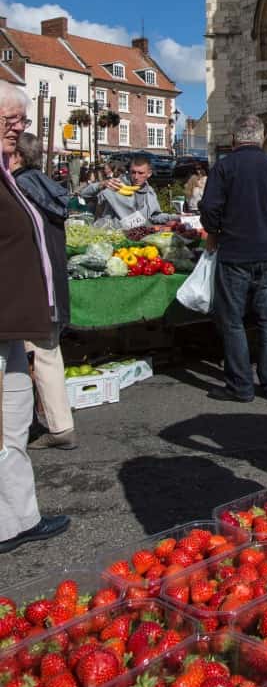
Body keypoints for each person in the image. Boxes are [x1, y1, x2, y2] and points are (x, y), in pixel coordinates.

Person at [0, 80, 70, 552]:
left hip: (13, 322)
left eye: (21, 120)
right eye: (9, 120)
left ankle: (20, 518)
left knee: (14, 421)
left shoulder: (8, 173)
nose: (18, 128)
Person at [199, 114, 267, 403]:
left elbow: (209, 207)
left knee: (233, 321)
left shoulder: (224, 167)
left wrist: (216, 229)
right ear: (261, 138)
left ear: (234, 139)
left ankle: (241, 386)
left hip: (235, 253)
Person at [10, 134, 76, 449]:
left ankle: (35, 424)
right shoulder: (47, 187)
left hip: (31, 284)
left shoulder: (18, 189)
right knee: (47, 353)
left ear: (17, 157)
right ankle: (59, 425)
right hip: (52, 282)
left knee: (27, 356)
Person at [80, 154, 168, 224]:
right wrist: (101, 184)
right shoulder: (116, 185)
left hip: (136, 235)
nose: (136, 177)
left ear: (149, 174)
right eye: (133, 172)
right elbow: (84, 194)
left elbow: (155, 216)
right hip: (112, 234)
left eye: (141, 173)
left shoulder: (150, 193)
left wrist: (175, 217)